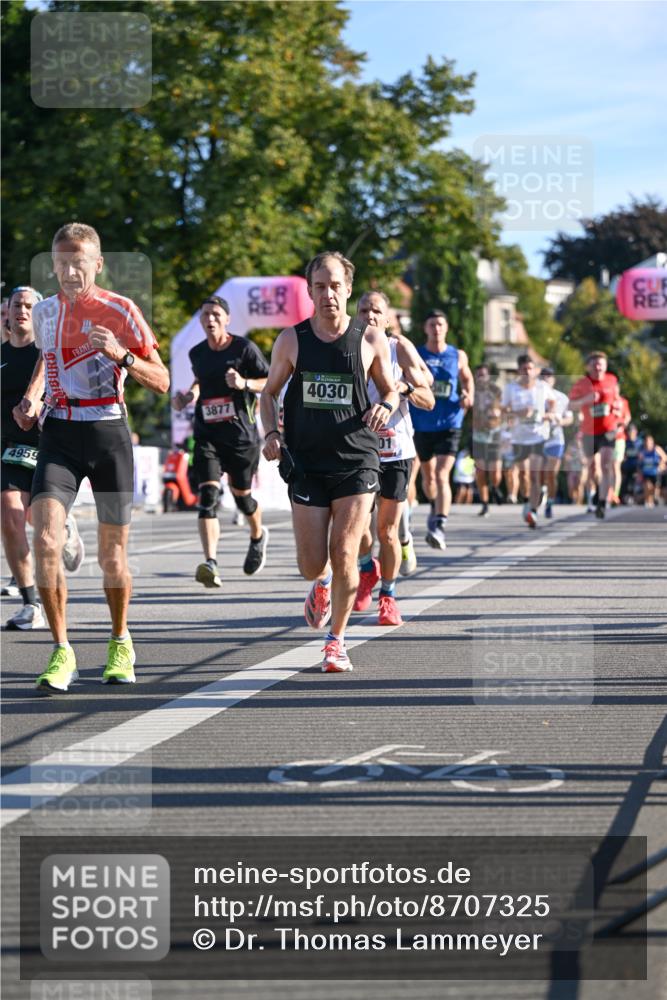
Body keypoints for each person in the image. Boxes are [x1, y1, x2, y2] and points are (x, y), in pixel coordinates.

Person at [13, 223, 169, 692]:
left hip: (108, 434)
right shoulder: (44, 312)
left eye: (77, 263)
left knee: (112, 556)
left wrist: (122, 355)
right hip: (59, 433)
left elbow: (161, 380)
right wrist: (32, 398)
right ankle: (62, 651)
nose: (67, 272)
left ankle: (121, 639)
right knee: (43, 540)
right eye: (59, 263)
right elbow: (47, 358)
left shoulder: (121, 309)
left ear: (96, 264)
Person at [260, 250, 398, 673]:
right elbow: (268, 394)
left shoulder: (369, 340)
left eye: (335, 286)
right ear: (310, 291)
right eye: (319, 286)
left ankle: (336, 640)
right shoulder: (292, 340)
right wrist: (270, 433)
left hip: (358, 460)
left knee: (344, 552)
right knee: (311, 564)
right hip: (306, 462)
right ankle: (318, 586)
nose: (328, 294)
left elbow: (391, 391)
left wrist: (386, 407)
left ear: (348, 289)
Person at [172, 295, 270, 585]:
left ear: (227, 319)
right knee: (208, 497)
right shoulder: (197, 353)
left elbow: (270, 381)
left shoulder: (245, 349)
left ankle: (257, 535)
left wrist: (244, 384)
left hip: (241, 437)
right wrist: (189, 396)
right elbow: (202, 381)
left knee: (242, 498)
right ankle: (210, 563)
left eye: (216, 314)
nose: (210, 319)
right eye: (205, 315)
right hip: (207, 435)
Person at [352, 290, 434, 624]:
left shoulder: (399, 349)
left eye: (376, 311)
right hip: (358, 449)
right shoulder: (345, 347)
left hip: (396, 451)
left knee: (386, 530)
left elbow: (429, 397)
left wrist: (405, 390)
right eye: (363, 310)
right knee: (357, 527)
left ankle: (388, 595)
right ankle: (365, 568)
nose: (369, 316)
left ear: (387, 319)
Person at [409, 310, 474, 549]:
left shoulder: (457, 355)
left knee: (441, 474)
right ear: (425, 329)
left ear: (446, 328)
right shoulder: (416, 354)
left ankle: (439, 524)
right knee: (428, 478)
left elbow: (467, 378)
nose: (436, 328)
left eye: (440, 324)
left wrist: (469, 396)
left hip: (450, 422)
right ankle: (435, 507)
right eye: (432, 324)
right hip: (422, 423)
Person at [501, 355, 554, 529]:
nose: (527, 372)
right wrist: (519, 413)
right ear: (519, 371)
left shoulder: (542, 387)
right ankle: (526, 501)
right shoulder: (511, 388)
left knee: (533, 474)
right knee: (523, 474)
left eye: (530, 368)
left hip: (538, 436)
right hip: (518, 437)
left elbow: (552, 402)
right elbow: (503, 410)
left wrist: (549, 414)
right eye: (524, 369)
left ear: (535, 370)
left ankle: (533, 510)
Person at [568, 351, 621, 519]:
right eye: (595, 364)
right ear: (588, 366)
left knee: (606, 464)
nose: (598, 367)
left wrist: (617, 407)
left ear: (605, 366)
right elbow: (570, 405)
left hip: (608, 430)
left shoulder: (612, 380)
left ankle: (602, 503)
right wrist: (586, 400)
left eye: (601, 364)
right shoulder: (581, 384)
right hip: (588, 432)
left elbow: (617, 398)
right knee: (592, 468)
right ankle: (597, 492)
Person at [539, 366, 573, 519]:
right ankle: (542, 491)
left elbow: (570, 418)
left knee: (551, 473)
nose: (546, 379)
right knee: (539, 474)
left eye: (549, 377)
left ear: (554, 380)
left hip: (555, 440)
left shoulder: (562, 398)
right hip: (538, 439)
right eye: (543, 377)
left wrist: (561, 421)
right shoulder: (534, 396)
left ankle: (550, 503)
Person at [471, 363, 503, 516]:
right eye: (479, 375)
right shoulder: (472, 391)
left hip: (494, 433)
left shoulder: (496, 391)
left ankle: (495, 487)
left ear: (488, 376)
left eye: (484, 374)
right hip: (478, 434)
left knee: (495, 471)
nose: (481, 378)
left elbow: (508, 408)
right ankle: (485, 504)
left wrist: (500, 412)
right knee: (481, 472)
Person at [612, 394, 632, 505]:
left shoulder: (623, 401)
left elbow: (628, 417)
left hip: (619, 439)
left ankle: (615, 494)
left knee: (615, 466)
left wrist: (621, 422)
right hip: (606, 439)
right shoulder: (605, 400)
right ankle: (608, 492)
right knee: (607, 467)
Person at [637, 434, 666, 508]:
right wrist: (639, 473)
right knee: (647, 486)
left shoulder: (657, 449)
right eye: (646, 441)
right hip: (646, 473)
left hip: (655, 473)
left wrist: (661, 464)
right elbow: (639, 463)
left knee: (654, 490)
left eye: (649, 441)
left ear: (652, 442)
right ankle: (648, 502)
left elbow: (665, 458)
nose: (647, 443)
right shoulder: (642, 451)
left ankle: (653, 500)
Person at [620, 423, 640, 504]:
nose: (631, 433)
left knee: (634, 483)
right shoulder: (625, 442)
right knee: (625, 483)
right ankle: (624, 498)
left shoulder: (639, 442)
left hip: (636, 468)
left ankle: (634, 498)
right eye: (630, 431)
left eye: (633, 431)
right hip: (626, 467)